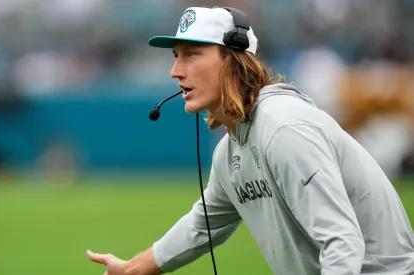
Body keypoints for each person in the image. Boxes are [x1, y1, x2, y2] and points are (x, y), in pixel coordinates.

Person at [86, 6, 414, 275]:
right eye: (176, 55)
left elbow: (342, 243)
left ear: (233, 60)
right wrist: (130, 270)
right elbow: (200, 228)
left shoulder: (283, 128)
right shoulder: (232, 150)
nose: (175, 70)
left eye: (192, 54)